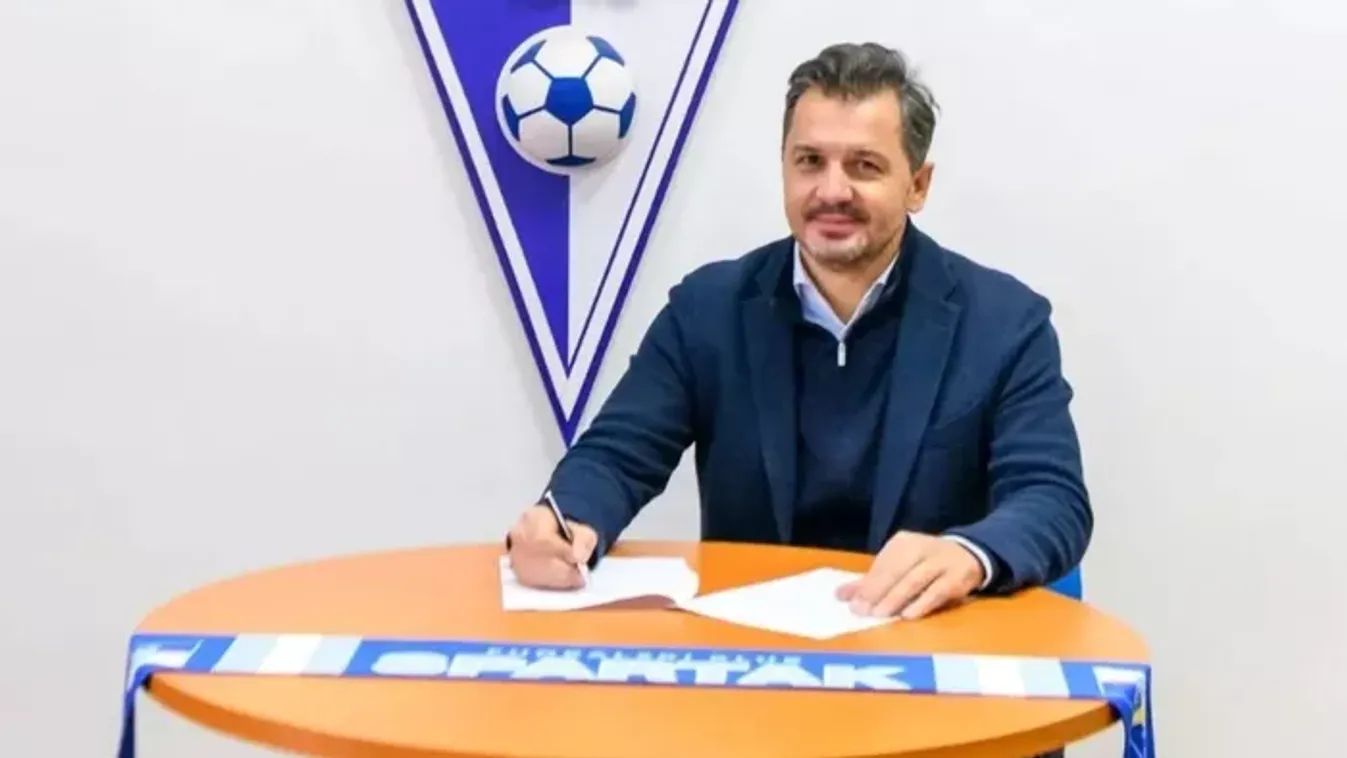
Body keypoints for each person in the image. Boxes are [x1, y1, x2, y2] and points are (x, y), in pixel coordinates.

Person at [506, 42, 1091, 626]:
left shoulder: (1004, 323)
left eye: (864, 166)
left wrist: (967, 554)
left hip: (928, 640)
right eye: (810, 161)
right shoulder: (707, 310)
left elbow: (1052, 498)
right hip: (754, 648)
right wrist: (564, 521)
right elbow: (617, 456)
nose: (832, 191)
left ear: (918, 184)